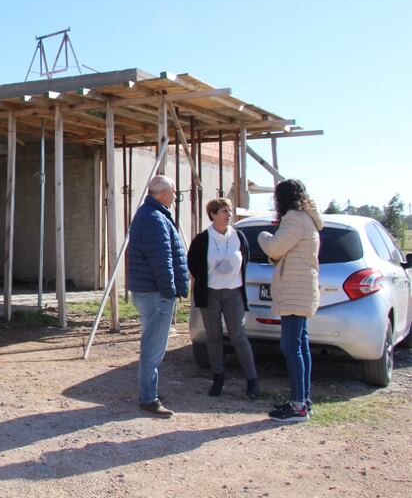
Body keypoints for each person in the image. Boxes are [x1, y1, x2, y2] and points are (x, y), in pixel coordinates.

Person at [258, 179, 322, 423]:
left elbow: (275, 248)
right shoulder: (307, 218)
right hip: (301, 288)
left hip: (295, 291)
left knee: (290, 346)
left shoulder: (294, 219)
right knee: (300, 345)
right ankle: (302, 400)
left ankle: (298, 406)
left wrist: (264, 236)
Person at [126, 174, 189, 418]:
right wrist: (170, 290)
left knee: (153, 344)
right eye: (173, 192)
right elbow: (162, 260)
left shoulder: (152, 215)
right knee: (153, 346)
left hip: (151, 290)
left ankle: (149, 392)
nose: (175, 196)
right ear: (163, 193)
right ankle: (148, 398)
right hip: (155, 293)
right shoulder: (154, 218)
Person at [188, 198, 259, 399]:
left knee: (238, 335)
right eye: (223, 211)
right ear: (212, 215)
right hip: (210, 292)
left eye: (229, 211)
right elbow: (193, 264)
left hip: (233, 292)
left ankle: (252, 381)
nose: (228, 215)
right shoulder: (203, 239)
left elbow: (246, 258)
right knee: (213, 336)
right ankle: (218, 379)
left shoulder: (239, 236)